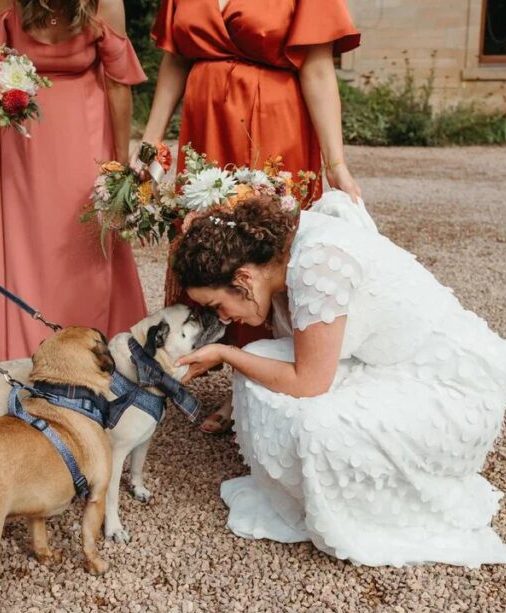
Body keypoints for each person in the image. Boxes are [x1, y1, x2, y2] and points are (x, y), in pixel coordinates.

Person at [172, 192, 506, 567]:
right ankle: (301, 491)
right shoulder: (279, 249)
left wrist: (226, 354)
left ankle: (363, 506)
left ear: (243, 277)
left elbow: (309, 383)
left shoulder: (317, 265)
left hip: (445, 383)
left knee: (313, 426)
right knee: (256, 363)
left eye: (217, 306)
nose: (222, 318)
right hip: (385, 361)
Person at [141, 0, 363, 434]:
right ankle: (208, 356)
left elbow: (317, 69)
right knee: (211, 246)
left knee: (262, 259)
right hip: (205, 130)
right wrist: (152, 143)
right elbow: (176, 57)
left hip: (274, 126)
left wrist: (336, 164)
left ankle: (252, 382)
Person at [0, 0, 149, 360]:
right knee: (30, 238)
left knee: (87, 232)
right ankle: (29, 347)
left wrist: (119, 164)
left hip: (87, 128)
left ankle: (96, 344)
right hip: (25, 136)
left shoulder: (106, 3)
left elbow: (118, 85)